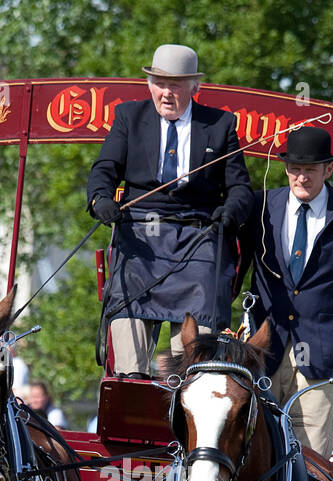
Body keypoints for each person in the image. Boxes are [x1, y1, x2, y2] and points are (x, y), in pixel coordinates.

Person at [88, 44, 252, 376]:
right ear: (149, 84)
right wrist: (101, 200)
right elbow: (103, 171)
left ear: (195, 87)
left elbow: (240, 189)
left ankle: (186, 400)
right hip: (140, 237)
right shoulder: (128, 117)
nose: (166, 93)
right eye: (159, 84)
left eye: (175, 85)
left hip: (198, 238)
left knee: (191, 359)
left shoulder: (220, 125)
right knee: (129, 346)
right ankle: (131, 391)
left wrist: (231, 211)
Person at [240, 124, 333, 454]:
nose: (301, 178)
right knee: (253, 455)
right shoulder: (261, 206)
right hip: (264, 351)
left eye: (310, 170)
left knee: (310, 462)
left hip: (319, 359)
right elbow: (234, 270)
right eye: (295, 169)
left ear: (328, 169)